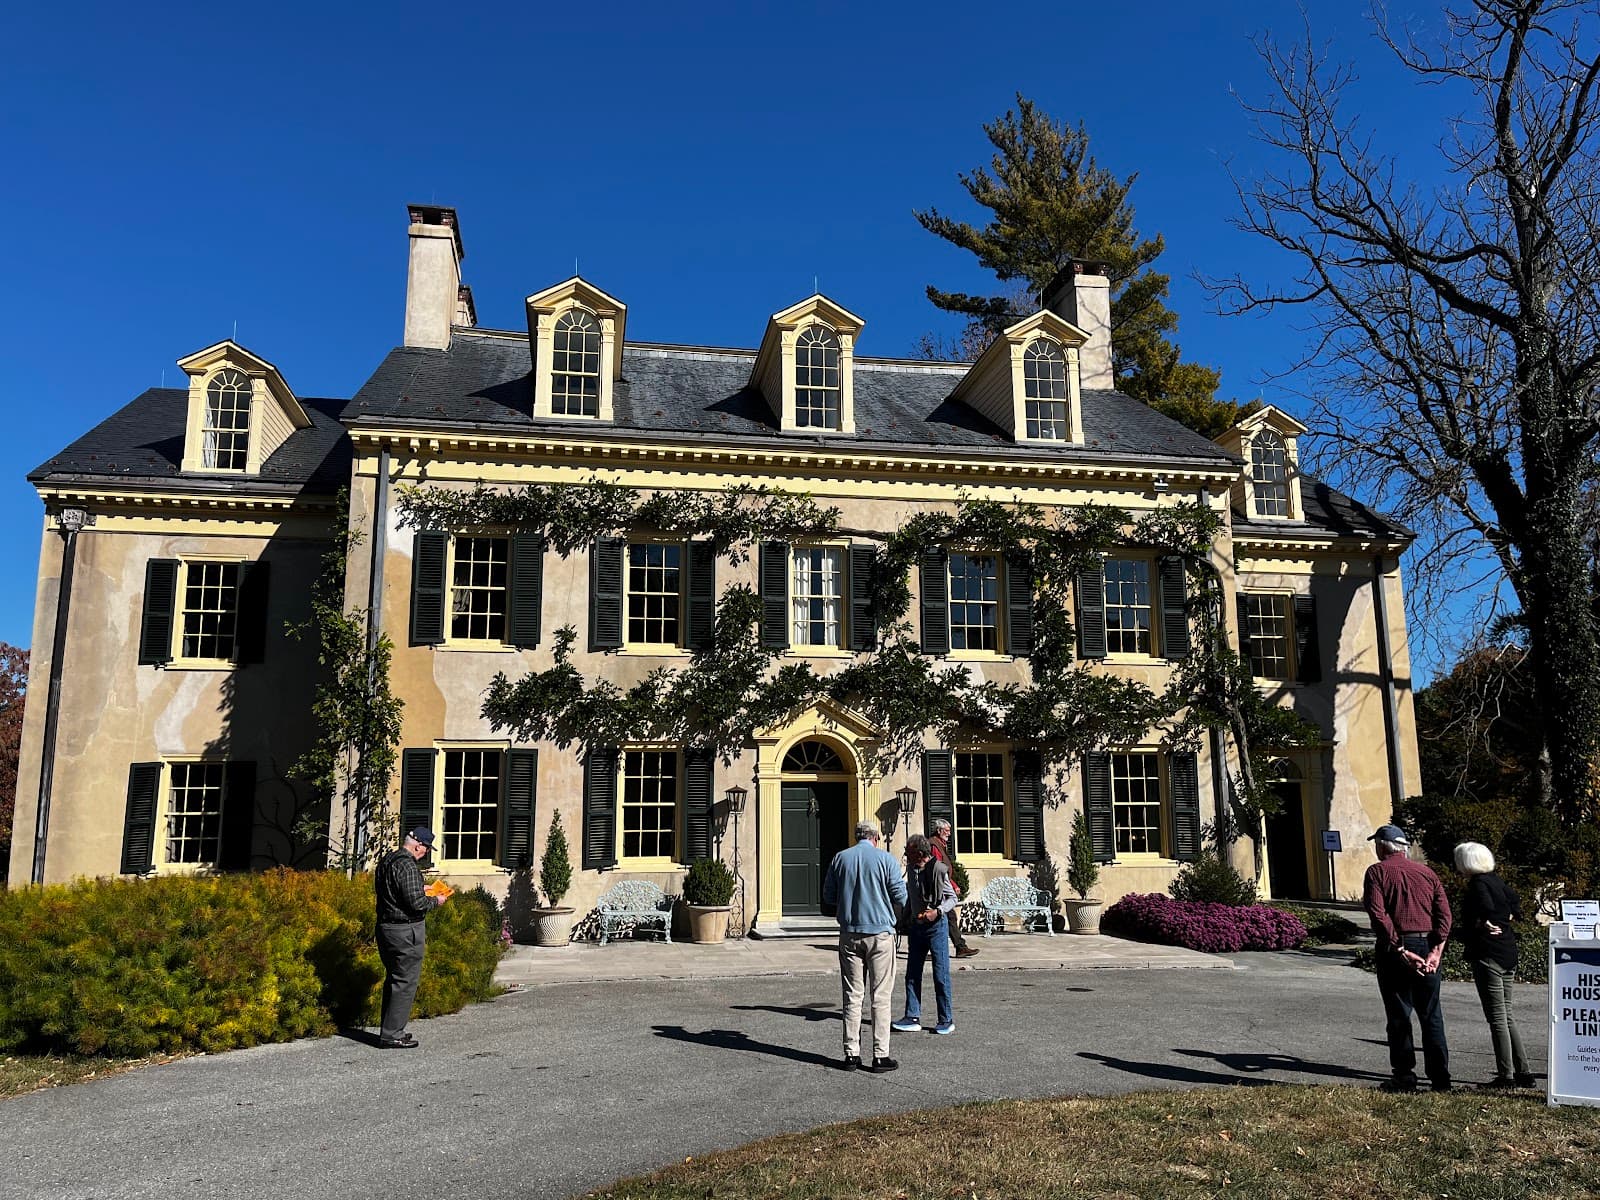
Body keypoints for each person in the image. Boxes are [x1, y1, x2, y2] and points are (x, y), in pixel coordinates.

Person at [1361, 823, 1452, 1092]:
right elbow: (1444, 915)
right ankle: (1440, 1078)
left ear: (1382, 846)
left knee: (1399, 1013)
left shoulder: (1376, 872)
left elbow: (1378, 914)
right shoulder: (1427, 873)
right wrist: (1437, 950)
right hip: (1428, 944)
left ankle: (1404, 1075)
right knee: (1431, 1013)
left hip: (1396, 947)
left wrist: (1399, 948)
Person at [821, 819, 907, 1073]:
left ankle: (851, 1053)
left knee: (852, 995)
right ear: (876, 837)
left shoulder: (840, 858)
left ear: (857, 836)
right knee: (880, 996)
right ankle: (880, 1055)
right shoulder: (886, 859)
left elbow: (828, 897)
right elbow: (900, 896)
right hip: (880, 934)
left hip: (849, 933)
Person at [1454, 841, 1536, 1089]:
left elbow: (1485, 909)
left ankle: (1506, 1075)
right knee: (1507, 1015)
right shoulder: (1497, 880)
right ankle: (1524, 1071)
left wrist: (1482, 922)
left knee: (1497, 1018)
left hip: (1488, 955)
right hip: (1507, 952)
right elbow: (1515, 903)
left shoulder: (1478, 884)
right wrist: (1506, 917)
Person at [374, 827, 448, 1049]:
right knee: (405, 982)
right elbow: (417, 905)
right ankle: (392, 1034)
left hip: (386, 928)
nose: (425, 853)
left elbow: (394, 892)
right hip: (405, 931)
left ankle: (390, 1029)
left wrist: (420, 888)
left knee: (394, 980)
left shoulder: (388, 860)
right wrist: (436, 900)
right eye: (425, 849)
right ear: (418, 846)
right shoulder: (407, 865)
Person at [894, 833, 957, 1036]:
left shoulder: (938, 870)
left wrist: (936, 912)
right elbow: (911, 898)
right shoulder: (911, 869)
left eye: (909, 852)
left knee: (941, 974)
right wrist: (903, 920)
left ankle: (946, 1019)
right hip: (916, 926)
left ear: (920, 853)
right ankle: (912, 1016)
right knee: (912, 973)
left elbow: (952, 898)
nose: (906, 855)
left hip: (936, 927)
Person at [929, 819, 979, 959]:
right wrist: (952, 885)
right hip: (938, 888)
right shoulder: (934, 845)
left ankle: (960, 947)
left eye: (950, 830)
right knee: (945, 917)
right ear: (939, 831)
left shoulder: (940, 844)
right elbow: (938, 870)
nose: (949, 834)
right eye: (946, 831)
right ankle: (959, 947)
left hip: (941, 887)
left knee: (947, 917)